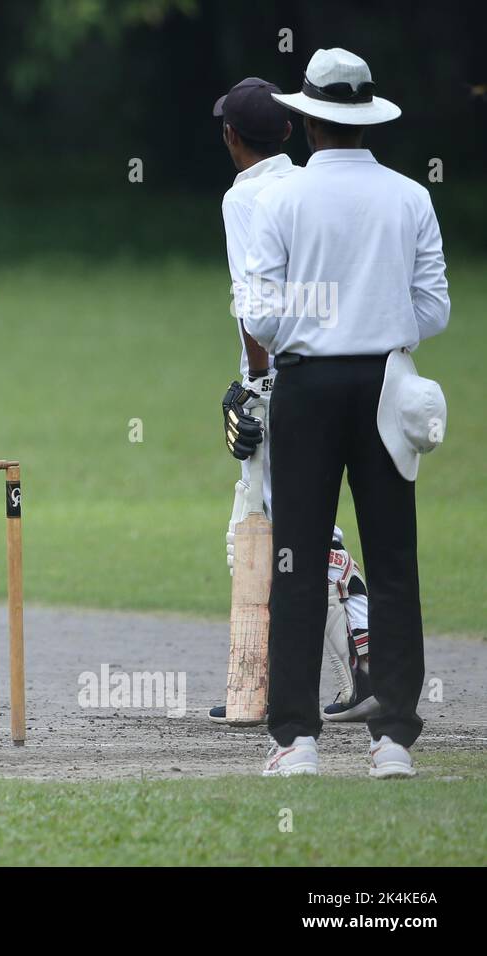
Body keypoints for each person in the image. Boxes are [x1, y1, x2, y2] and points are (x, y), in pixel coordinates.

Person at [243, 49, 450, 778]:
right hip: (388, 385)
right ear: (366, 119)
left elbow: (261, 317)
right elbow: (434, 308)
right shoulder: (408, 197)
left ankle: (296, 741)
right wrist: (374, 318)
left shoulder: (282, 200)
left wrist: (322, 318)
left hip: (305, 389)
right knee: (393, 560)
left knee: (297, 561)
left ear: (305, 120)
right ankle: (393, 738)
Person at [211, 77, 374, 725]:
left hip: (281, 381)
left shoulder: (245, 197)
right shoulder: (309, 184)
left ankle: (358, 662)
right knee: (283, 527)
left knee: (283, 531)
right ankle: (282, 683)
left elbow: (254, 302)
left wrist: (250, 391)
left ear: (231, 137)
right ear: (288, 131)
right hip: (338, 368)